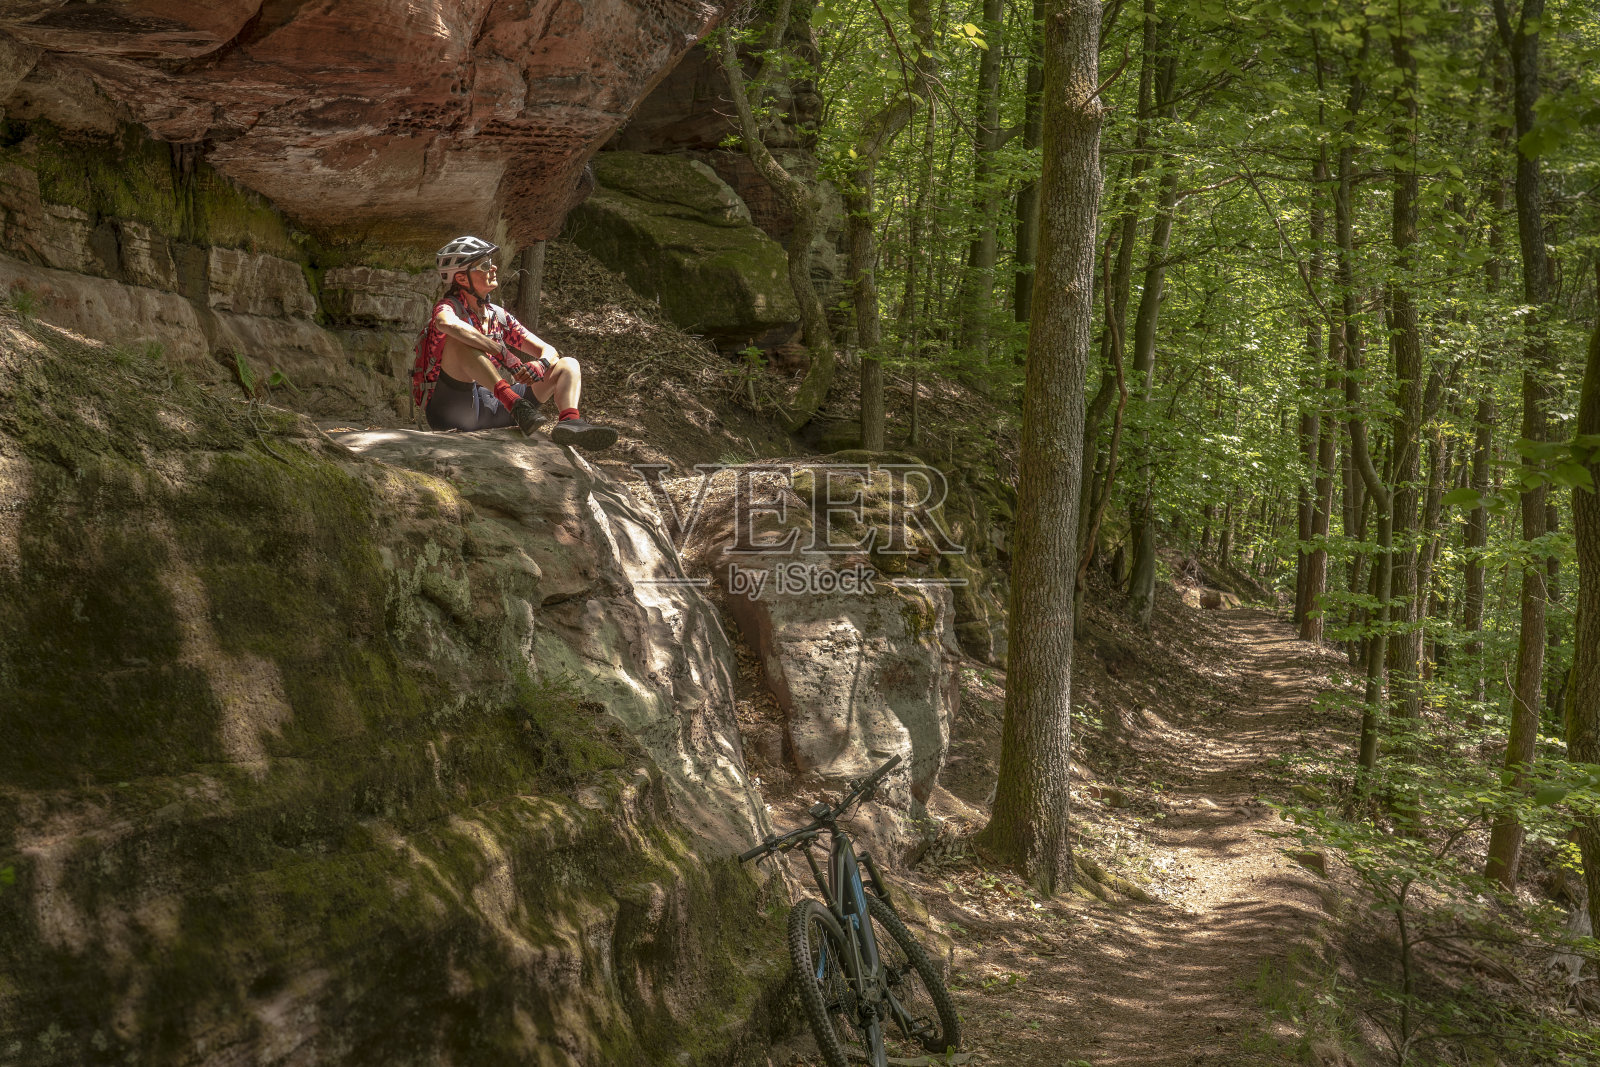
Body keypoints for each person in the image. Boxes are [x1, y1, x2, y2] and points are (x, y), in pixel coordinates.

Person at [410, 235, 617, 451]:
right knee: (459, 342)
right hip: (454, 411)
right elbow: (445, 324)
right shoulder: (448, 308)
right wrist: (501, 351)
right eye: (484, 264)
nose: (494, 267)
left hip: (496, 408)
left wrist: (542, 364)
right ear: (462, 279)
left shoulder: (497, 315)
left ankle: (570, 423)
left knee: (568, 365)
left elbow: (549, 350)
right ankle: (516, 405)